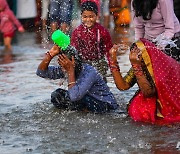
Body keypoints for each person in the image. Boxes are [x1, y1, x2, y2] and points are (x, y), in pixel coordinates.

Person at [108, 39, 180, 125]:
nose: (134, 57)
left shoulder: (161, 68)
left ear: (147, 56)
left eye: (138, 56)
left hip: (167, 105)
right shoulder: (141, 64)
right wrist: (113, 60)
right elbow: (123, 86)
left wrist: (136, 66)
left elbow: (149, 93)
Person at [36, 45, 119, 113]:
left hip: (105, 105)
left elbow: (74, 97)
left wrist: (70, 71)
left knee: (77, 97)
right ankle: (81, 111)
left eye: (64, 65)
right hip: (82, 98)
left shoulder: (89, 72)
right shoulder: (65, 68)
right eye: (61, 65)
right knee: (57, 95)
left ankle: (83, 112)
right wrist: (50, 55)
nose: (62, 69)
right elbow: (40, 72)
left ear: (73, 62)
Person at [71, 1, 113, 81]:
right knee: (83, 83)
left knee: (101, 84)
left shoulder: (102, 31)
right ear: (81, 16)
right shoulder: (77, 32)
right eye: (85, 17)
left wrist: (113, 67)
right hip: (83, 63)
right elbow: (73, 51)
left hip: (99, 63)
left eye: (91, 16)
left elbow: (109, 51)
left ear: (97, 16)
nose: (88, 20)